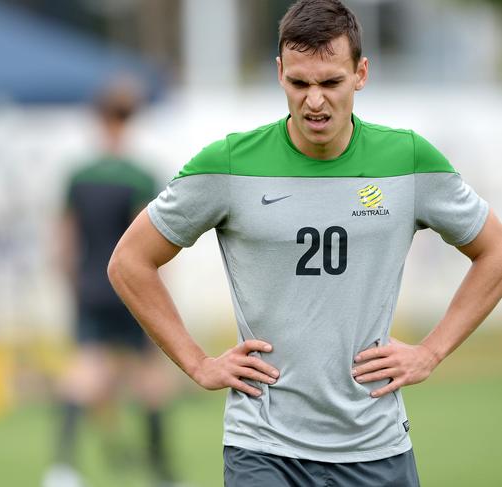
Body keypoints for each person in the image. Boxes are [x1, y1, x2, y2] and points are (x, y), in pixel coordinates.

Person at [107, 1, 502, 485]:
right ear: (279, 74)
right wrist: (197, 363)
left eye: (330, 82)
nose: (314, 101)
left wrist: (432, 351)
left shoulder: (409, 160)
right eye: (299, 83)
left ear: (361, 73)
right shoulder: (228, 163)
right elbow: (130, 261)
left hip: (376, 447)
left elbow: (495, 252)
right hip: (263, 448)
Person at [44, 80, 179, 487]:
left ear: (97, 118)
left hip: (89, 287)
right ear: (131, 119)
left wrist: (73, 285)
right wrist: (161, 293)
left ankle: (62, 468)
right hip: (130, 287)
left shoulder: (78, 175)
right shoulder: (140, 175)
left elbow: (63, 243)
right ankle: (162, 473)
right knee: (151, 379)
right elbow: (150, 241)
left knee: (83, 372)